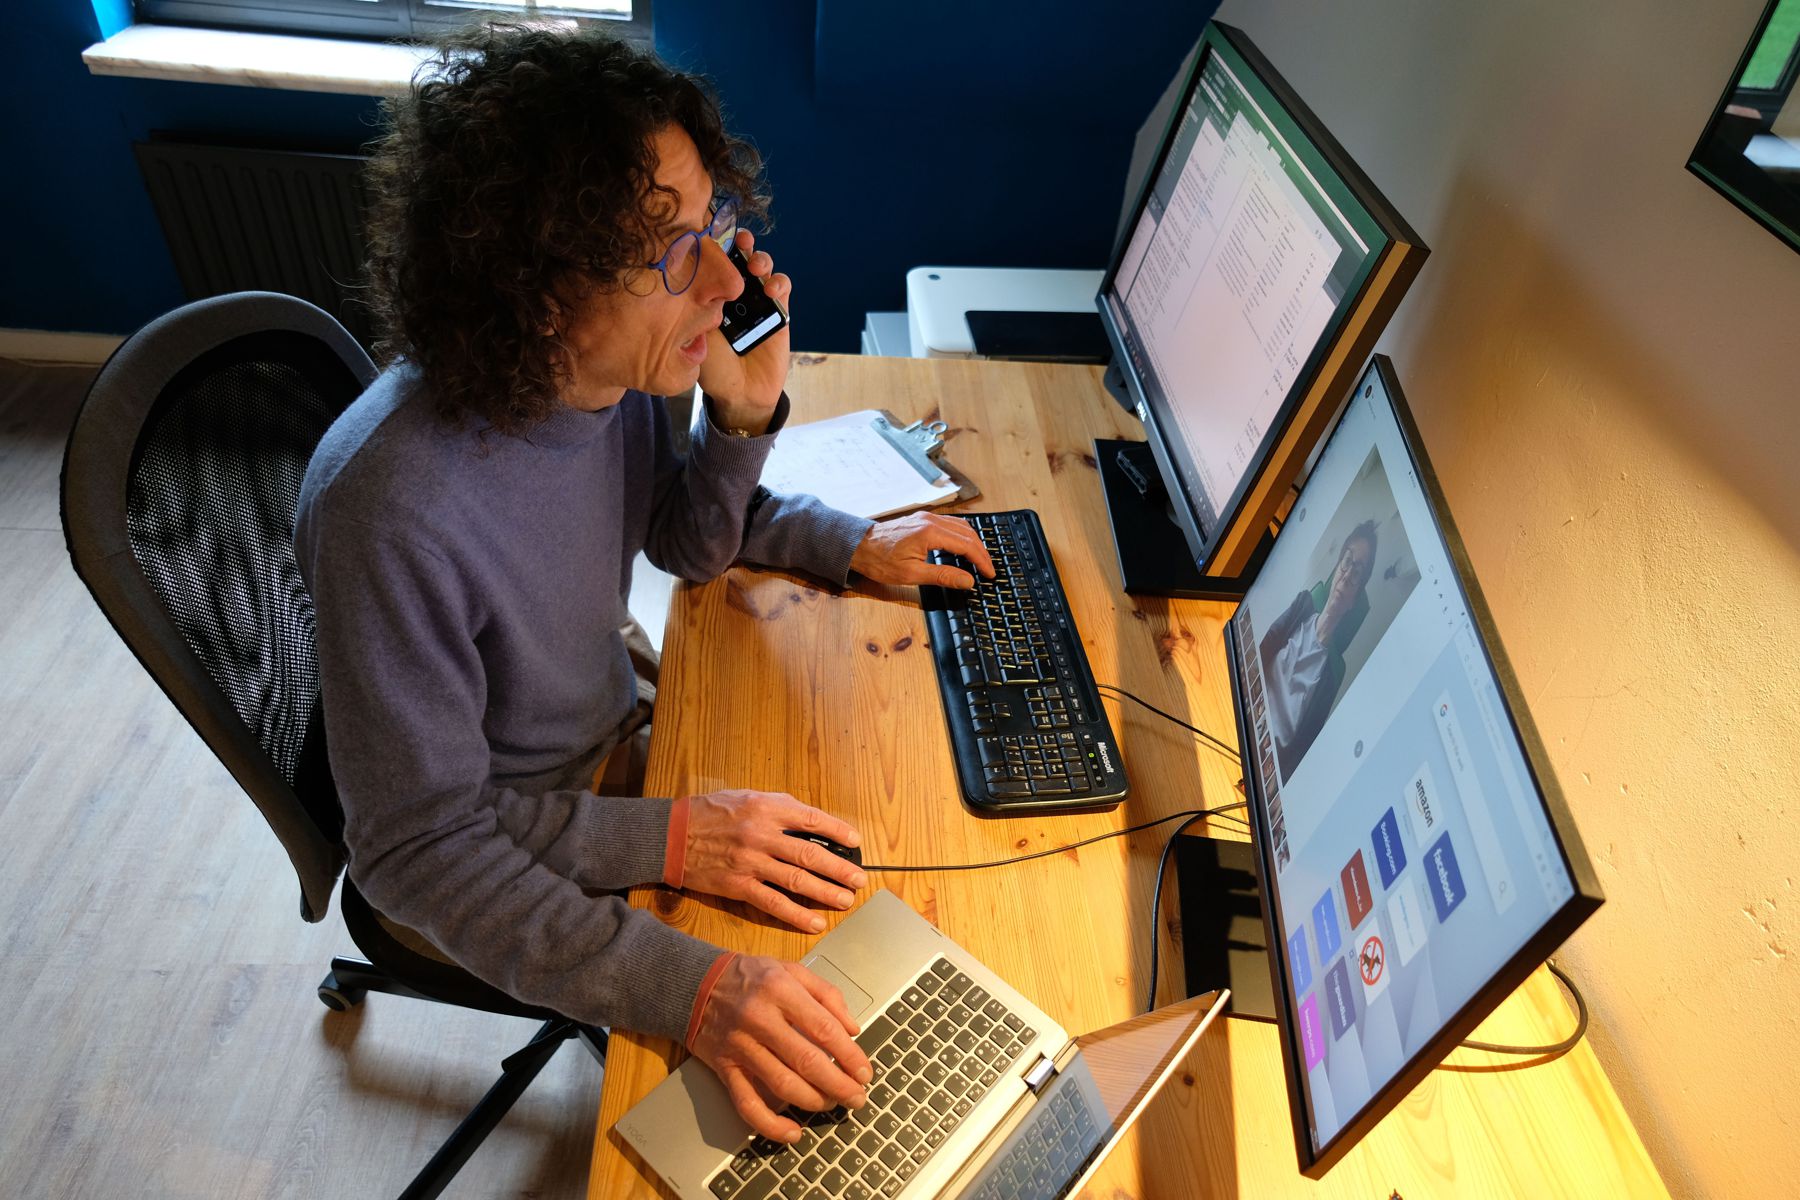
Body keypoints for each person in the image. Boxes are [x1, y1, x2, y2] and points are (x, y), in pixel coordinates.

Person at [294, 24, 994, 1143]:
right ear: (537, 289)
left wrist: (761, 433)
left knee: (901, 833)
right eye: (675, 253)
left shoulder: (601, 380)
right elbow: (418, 854)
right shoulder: (390, 508)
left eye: (715, 223)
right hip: (488, 841)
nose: (724, 278)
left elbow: (683, 537)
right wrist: (691, 967)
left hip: (617, 738)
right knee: (841, 1034)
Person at [1258, 520, 1377, 778]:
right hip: (1250, 707)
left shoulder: (1334, 673)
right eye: (1347, 561)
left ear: (1356, 598)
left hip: (1269, 757)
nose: (1346, 576)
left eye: (1357, 572)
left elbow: (1305, 744)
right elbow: (1262, 649)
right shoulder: (1303, 603)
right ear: (1337, 568)